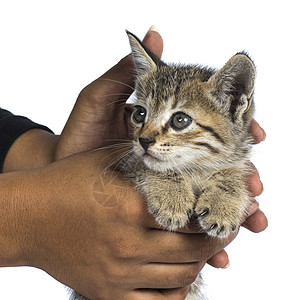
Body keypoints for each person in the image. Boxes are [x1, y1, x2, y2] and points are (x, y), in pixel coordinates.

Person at [0, 27, 267, 300]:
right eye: (141, 114)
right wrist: (34, 220)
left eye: (179, 121)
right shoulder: (145, 157)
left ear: (233, 103)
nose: (146, 136)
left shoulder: (227, 170)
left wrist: (49, 160)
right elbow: (131, 172)